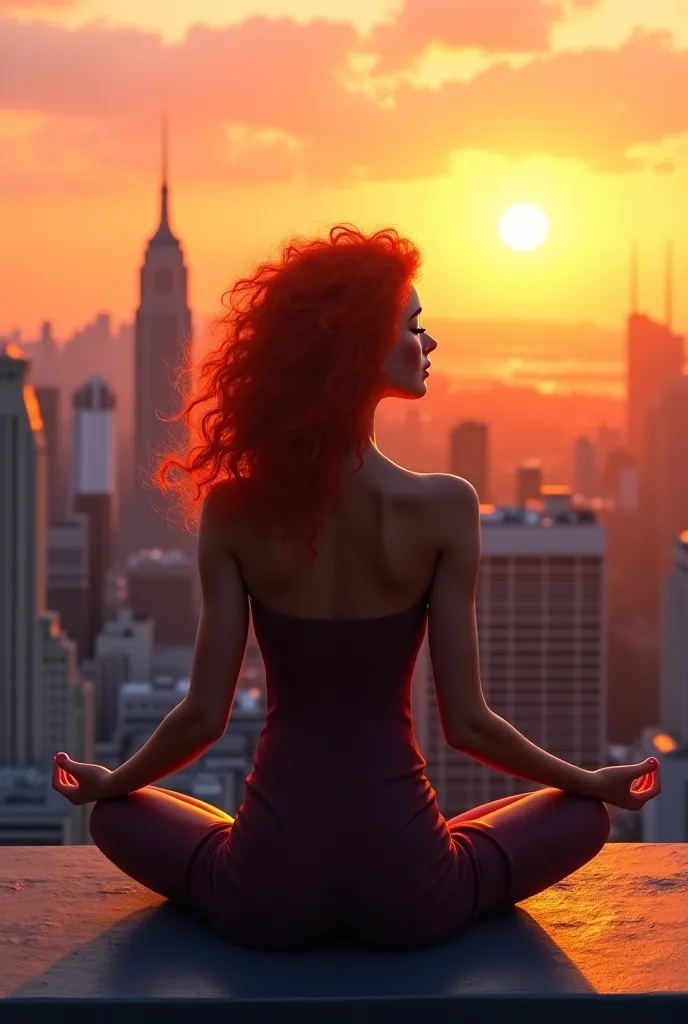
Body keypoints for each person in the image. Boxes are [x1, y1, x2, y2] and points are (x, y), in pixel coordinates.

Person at [53, 225, 661, 950]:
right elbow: (469, 725)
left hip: (266, 891)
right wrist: (590, 782)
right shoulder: (445, 506)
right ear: (358, 349)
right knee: (581, 816)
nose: (428, 343)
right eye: (414, 326)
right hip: (411, 892)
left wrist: (110, 781)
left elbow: (202, 718)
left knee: (114, 815)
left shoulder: (235, 512)